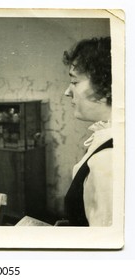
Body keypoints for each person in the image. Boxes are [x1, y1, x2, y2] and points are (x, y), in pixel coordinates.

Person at [62, 37, 113, 226]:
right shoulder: (108, 136)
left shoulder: (109, 159)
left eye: (74, 82)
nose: (67, 91)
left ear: (106, 87)